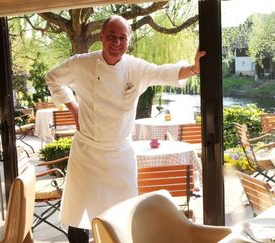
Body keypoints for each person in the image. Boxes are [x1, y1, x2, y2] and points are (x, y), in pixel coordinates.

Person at [45, 15, 206, 243]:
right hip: (87, 152)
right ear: (101, 37)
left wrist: (194, 69)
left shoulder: (135, 68)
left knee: (124, 215)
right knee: (78, 214)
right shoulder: (82, 63)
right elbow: (52, 78)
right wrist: (73, 107)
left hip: (120, 154)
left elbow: (164, 73)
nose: (117, 43)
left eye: (122, 38)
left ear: (127, 41)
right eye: (111, 36)